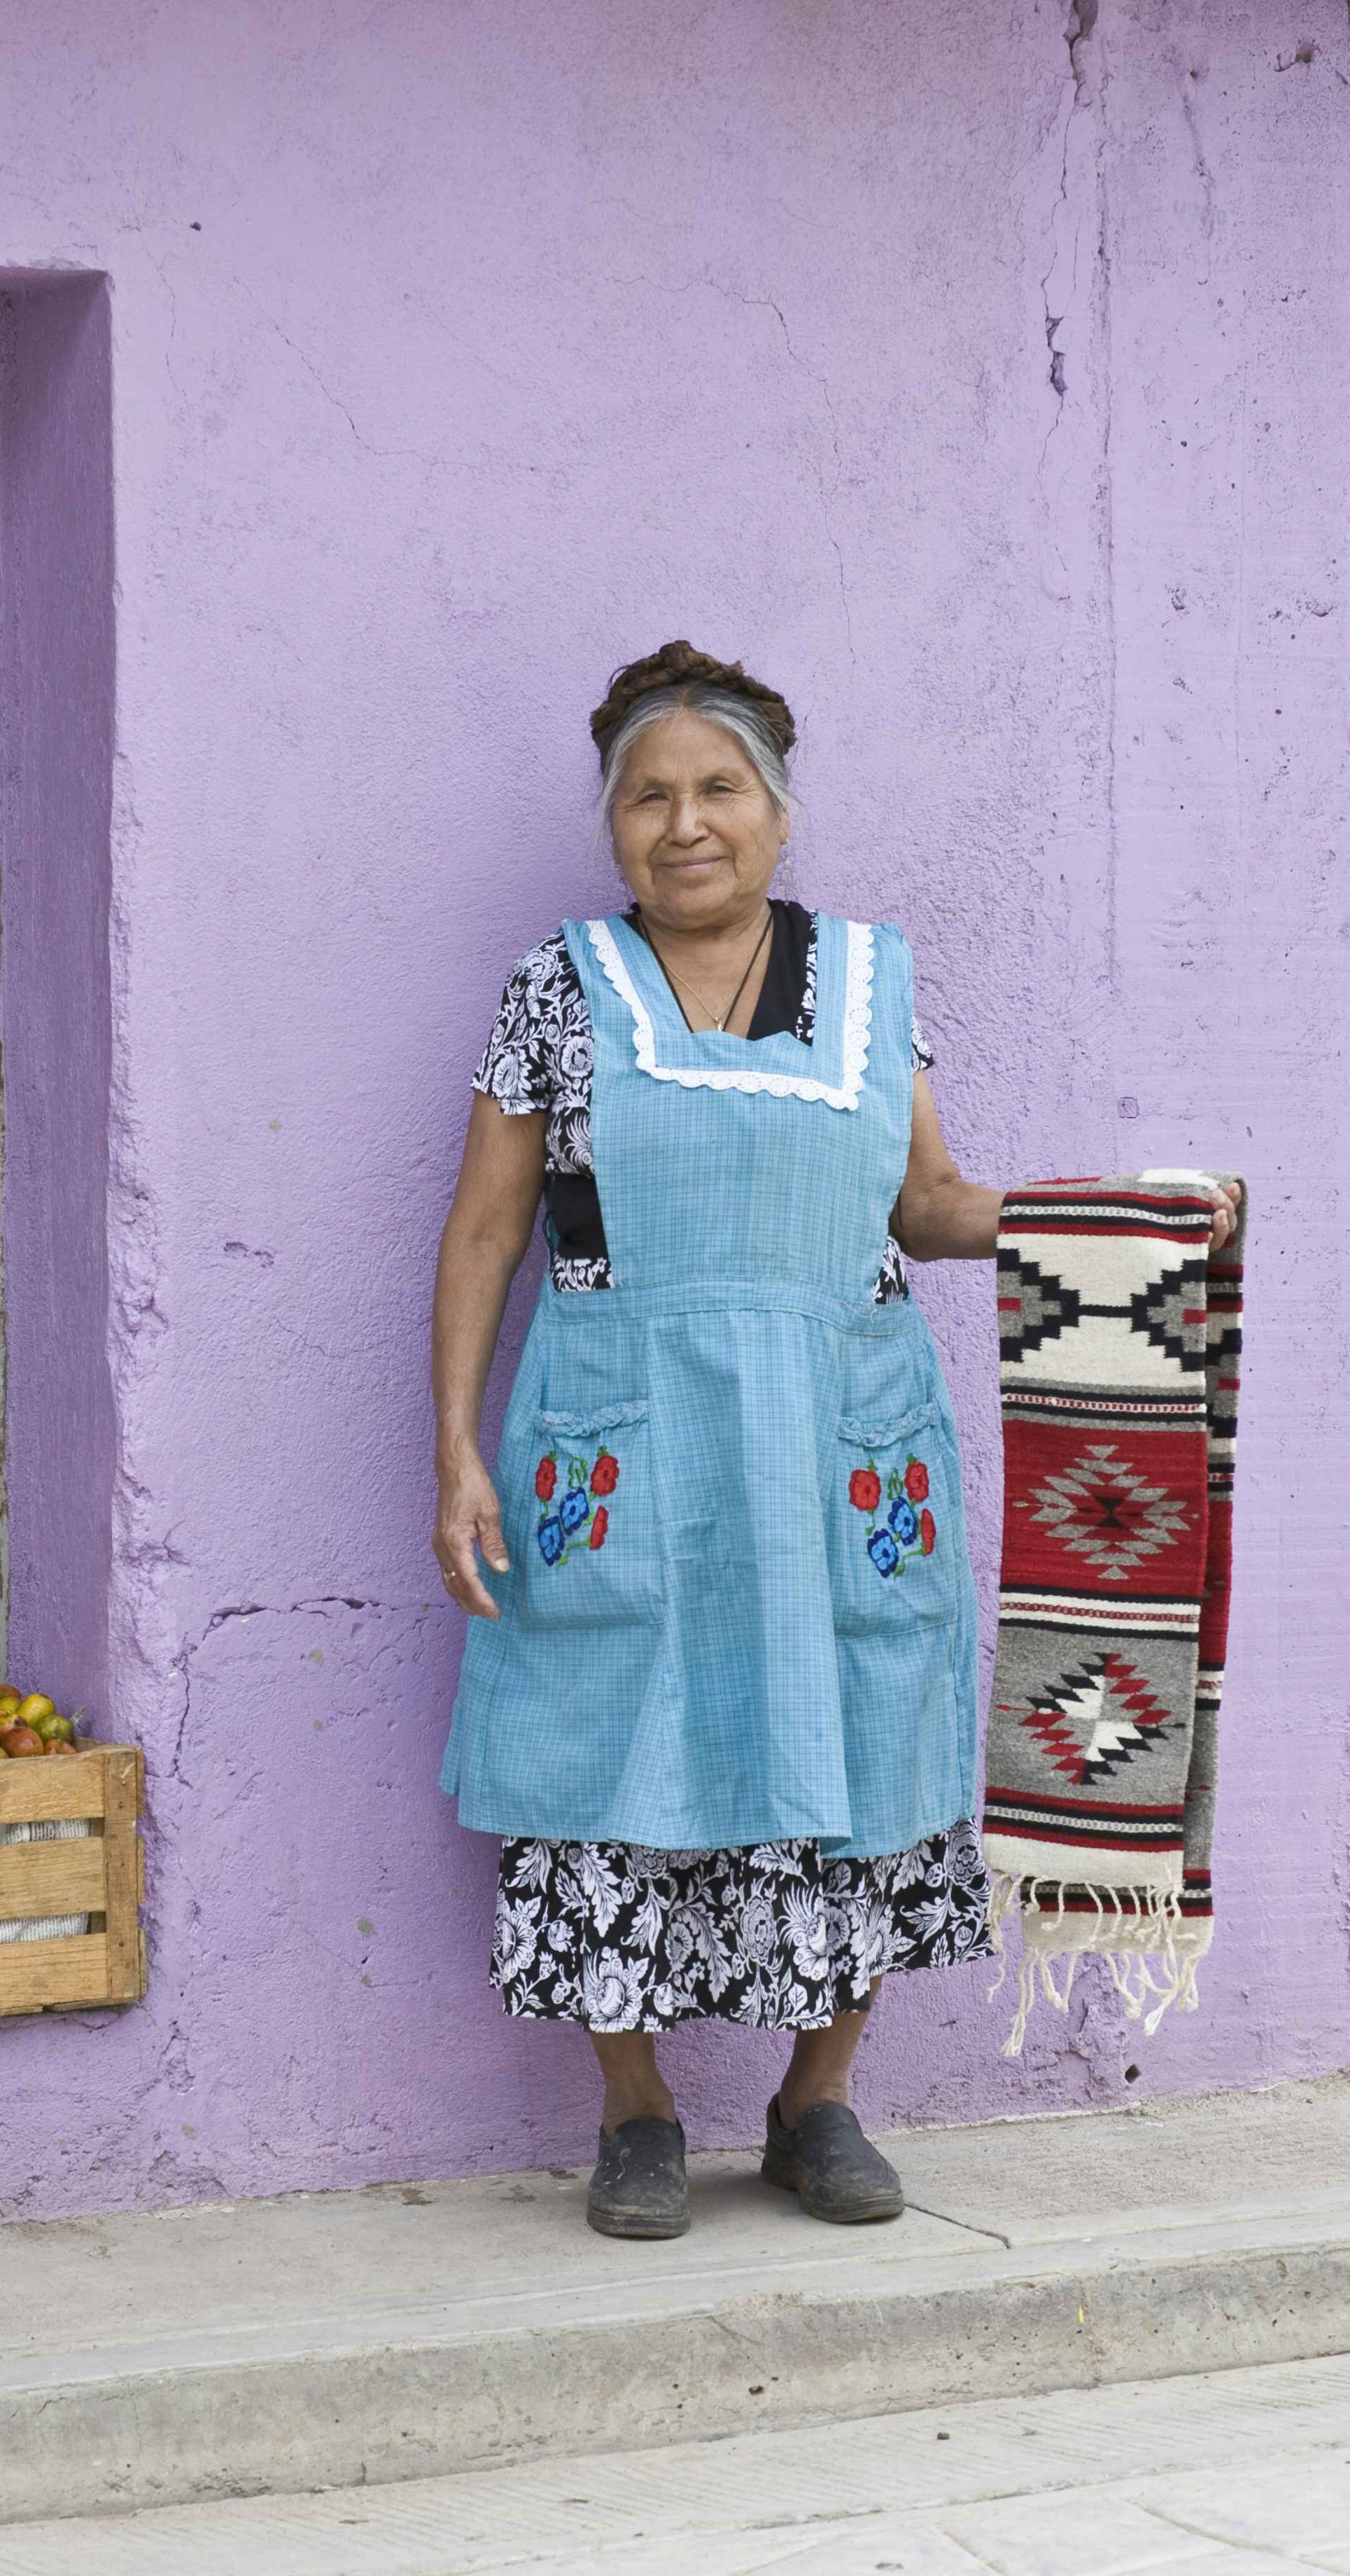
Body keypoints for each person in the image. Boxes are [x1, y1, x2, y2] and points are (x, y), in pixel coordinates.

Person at [431, 640, 1239, 2241]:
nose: (684, 825)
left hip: (840, 1447)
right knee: (608, 1744)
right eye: (647, 797)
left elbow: (928, 1205)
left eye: (717, 789)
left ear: (778, 814)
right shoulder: (556, 988)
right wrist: (455, 1447)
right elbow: (482, 1234)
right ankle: (637, 2112)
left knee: (865, 1738)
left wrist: (1113, 1219)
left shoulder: (874, 985)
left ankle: (818, 2099)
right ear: (611, 827)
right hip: (622, 1438)